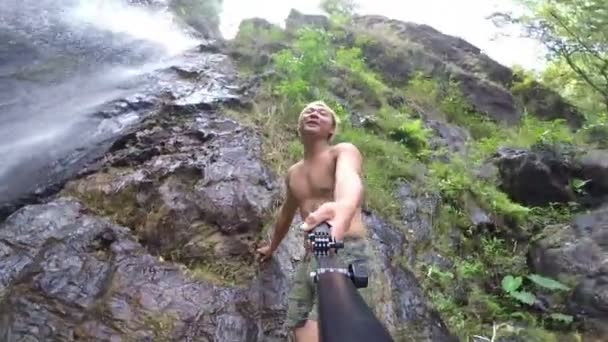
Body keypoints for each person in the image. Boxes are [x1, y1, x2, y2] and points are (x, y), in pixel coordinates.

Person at [256, 101, 373, 342]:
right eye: (308, 110)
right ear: (299, 127)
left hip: (346, 247)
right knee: (299, 321)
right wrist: (272, 247)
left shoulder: (342, 152)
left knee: (343, 322)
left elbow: (348, 178)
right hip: (310, 255)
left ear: (331, 129)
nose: (313, 112)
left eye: (322, 112)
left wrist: (344, 206)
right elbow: (286, 214)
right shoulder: (293, 173)